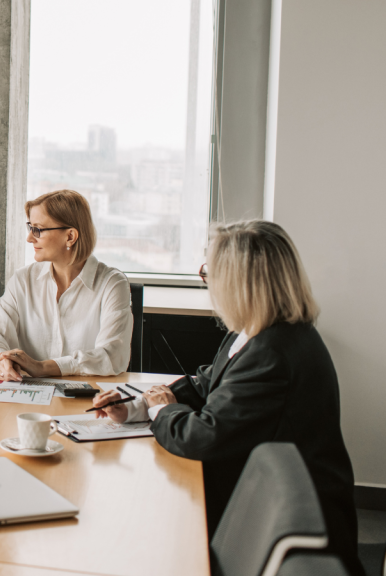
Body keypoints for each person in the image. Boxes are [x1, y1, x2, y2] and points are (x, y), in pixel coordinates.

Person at [93, 220, 360, 574]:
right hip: (256, 495)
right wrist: (137, 405)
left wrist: (161, 411)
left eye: (209, 273)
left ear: (240, 284)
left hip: (285, 524)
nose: (207, 284)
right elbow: (207, 384)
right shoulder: (260, 331)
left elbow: (203, 437)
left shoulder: (274, 355)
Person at [0, 189, 132, 380]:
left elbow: (112, 356)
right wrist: (1, 360)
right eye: (30, 228)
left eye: (38, 230)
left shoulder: (112, 284)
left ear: (70, 237)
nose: (30, 238)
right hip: (26, 398)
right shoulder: (22, 280)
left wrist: (42, 367)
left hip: (89, 401)